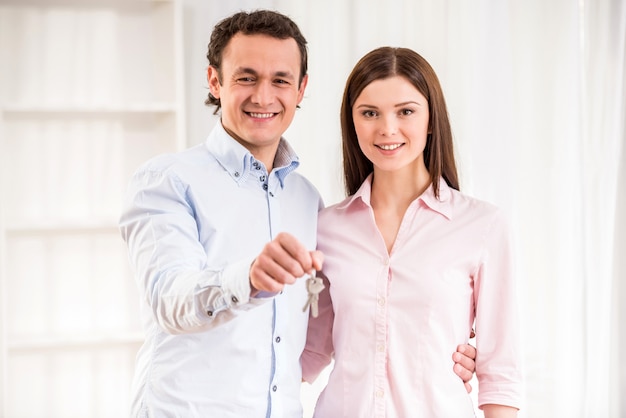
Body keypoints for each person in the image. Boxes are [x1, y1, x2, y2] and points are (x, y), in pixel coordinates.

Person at [119, 10, 477, 417]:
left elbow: (323, 331)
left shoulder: (307, 202)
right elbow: (170, 298)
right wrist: (249, 278)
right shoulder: (167, 180)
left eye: (281, 80)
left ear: (301, 88)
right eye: (246, 77)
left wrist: (437, 355)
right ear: (215, 81)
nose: (263, 97)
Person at [302, 47, 523, 417]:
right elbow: (310, 350)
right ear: (352, 122)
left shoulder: (482, 226)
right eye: (369, 113)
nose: (387, 128)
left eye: (405, 111)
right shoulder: (326, 228)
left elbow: (499, 372)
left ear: (431, 119)